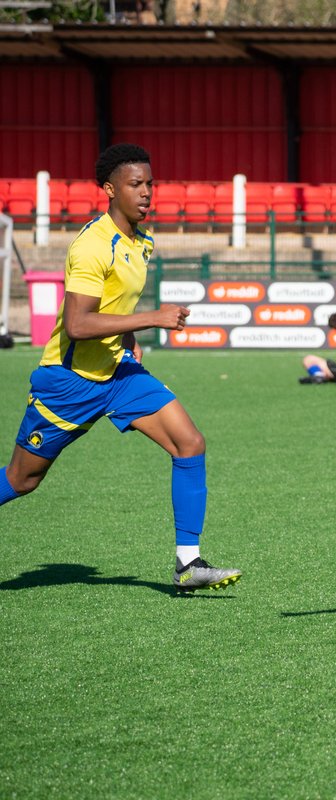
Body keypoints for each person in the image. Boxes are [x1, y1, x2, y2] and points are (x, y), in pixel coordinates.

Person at [0, 143, 241, 592]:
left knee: (189, 443)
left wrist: (128, 339)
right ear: (109, 189)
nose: (147, 192)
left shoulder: (142, 241)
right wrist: (151, 319)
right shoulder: (92, 245)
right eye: (136, 184)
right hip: (68, 383)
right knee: (22, 479)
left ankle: (188, 564)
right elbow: (77, 323)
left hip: (118, 375)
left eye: (150, 183)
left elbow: (115, 302)